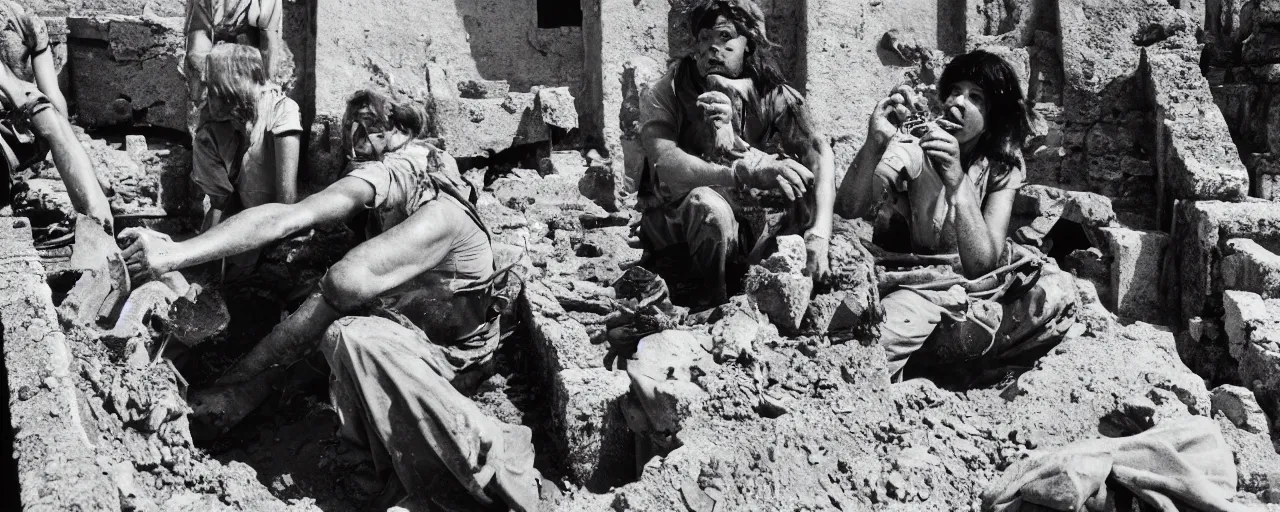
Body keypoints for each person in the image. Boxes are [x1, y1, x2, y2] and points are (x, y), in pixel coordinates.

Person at [119, 89, 539, 510]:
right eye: (351, 129)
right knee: (310, 302)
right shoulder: (410, 174)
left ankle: (449, 474)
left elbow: (320, 254)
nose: (357, 141)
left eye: (371, 129)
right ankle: (317, 425)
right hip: (417, 325)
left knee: (349, 334)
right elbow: (299, 217)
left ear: (404, 131)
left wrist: (175, 254)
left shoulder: (429, 201)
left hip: (456, 356)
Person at [835, 50, 1078, 382]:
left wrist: (956, 180)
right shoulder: (916, 144)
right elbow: (849, 208)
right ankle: (936, 360)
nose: (959, 102)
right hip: (920, 282)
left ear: (991, 117)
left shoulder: (1003, 164)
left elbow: (983, 262)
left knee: (1059, 292)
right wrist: (876, 142)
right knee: (869, 348)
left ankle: (952, 358)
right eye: (955, 91)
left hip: (977, 282)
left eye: (975, 97)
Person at [637, 0, 835, 306]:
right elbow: (667, 163)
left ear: (749, 44)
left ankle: (778, 282)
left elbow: (818, 151)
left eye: (725, 37)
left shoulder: (770, 92)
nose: (713, 48)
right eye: (704, 39)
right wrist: (742, 172)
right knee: (708, 208)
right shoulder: (669, 91)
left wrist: (820, 232)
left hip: (748, 222)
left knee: (802, 186)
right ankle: (710, 301)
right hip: (681, 225)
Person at [0, 0, 112, 233]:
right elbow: (13, 88)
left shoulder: (26, 21)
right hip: (12, 115)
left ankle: (97, 225)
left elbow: (52, 96)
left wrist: (70, 149)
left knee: (49, 116)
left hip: (14, 125)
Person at [190, 43, 301, 234]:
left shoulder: (281, 110)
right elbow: (220, 204)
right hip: (238, 227)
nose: (205, 93)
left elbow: (287, 200)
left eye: (212, 84)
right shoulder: (211, 131)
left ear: (232, 84)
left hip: (276, 225)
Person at [184, 0, 293, 133]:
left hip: (251, 66)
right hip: (216, 65)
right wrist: (207, 72)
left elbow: (268, 39)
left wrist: (268, 84)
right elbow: (198, 33)